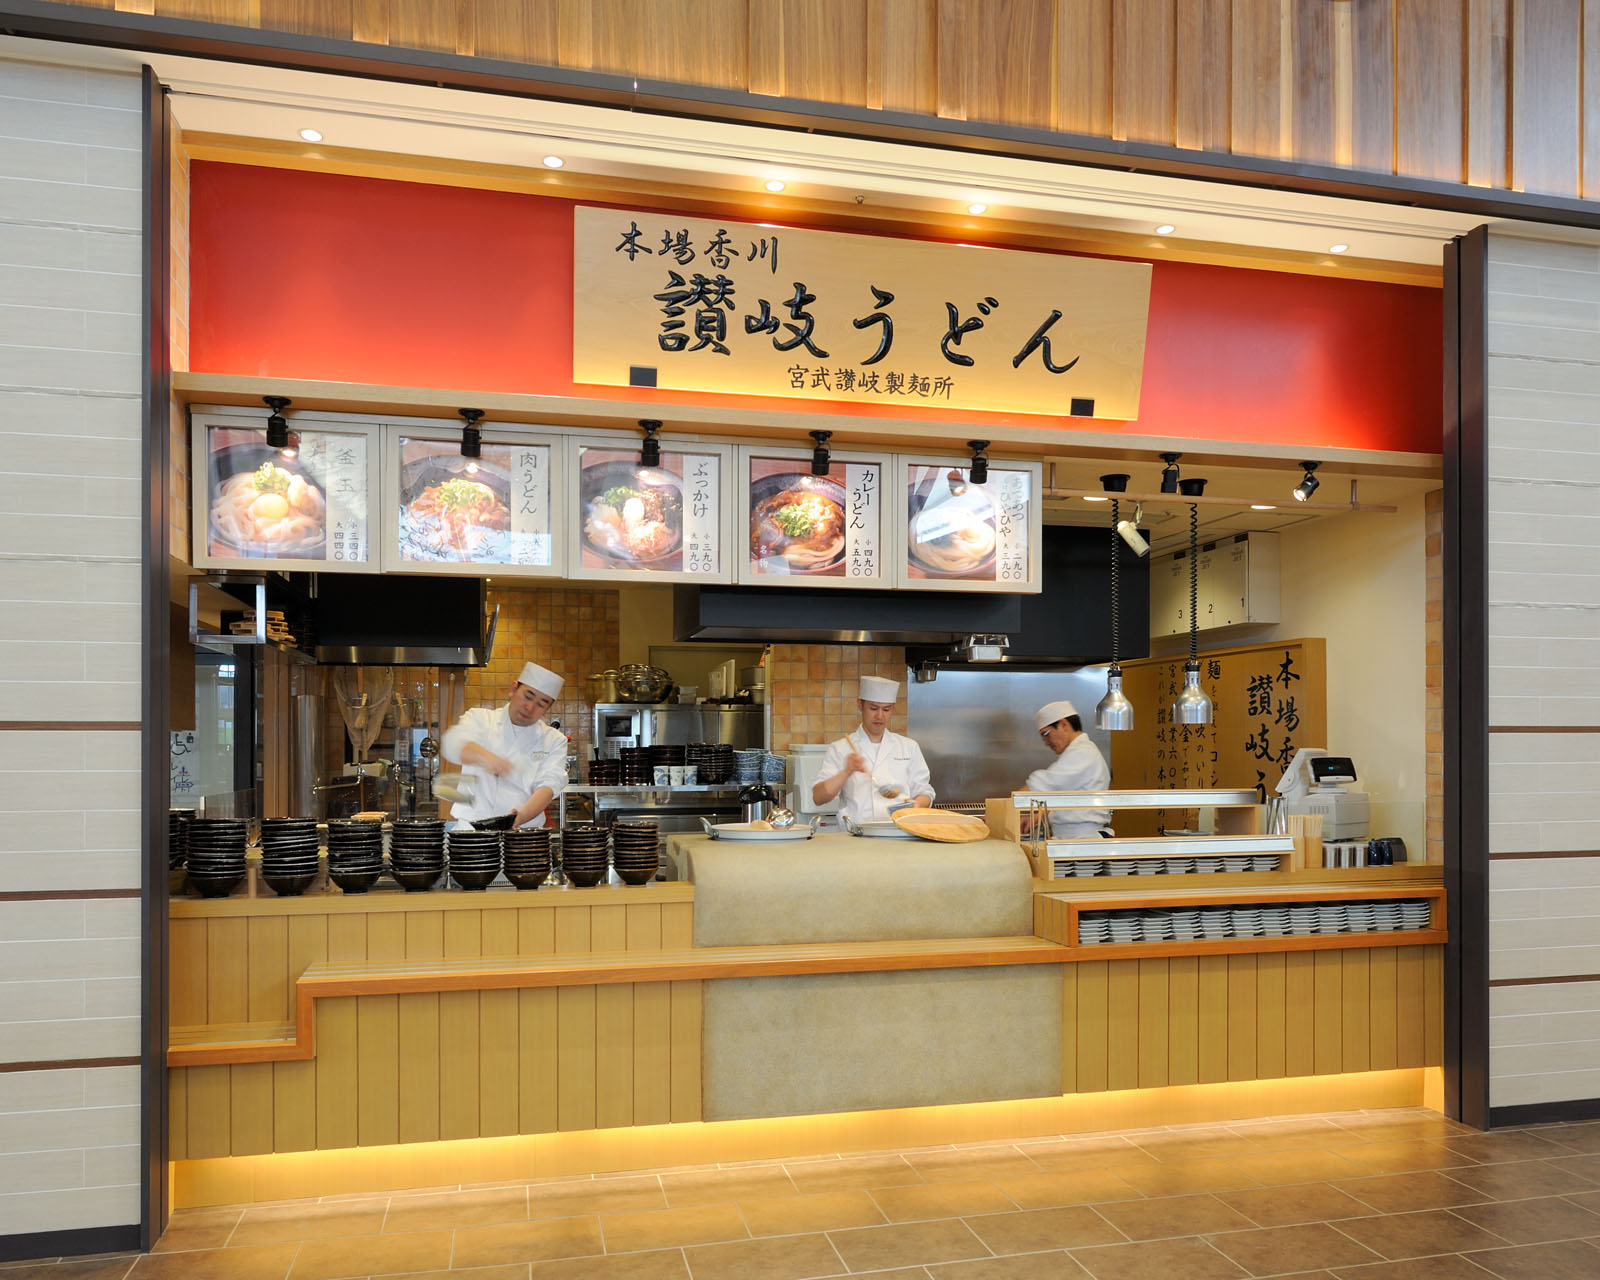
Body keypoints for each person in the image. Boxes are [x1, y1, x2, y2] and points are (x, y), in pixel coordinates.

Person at [441, 661, 568, 830]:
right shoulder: (480, 719)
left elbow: (549, 785)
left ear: (547, 708)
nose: (530, 707)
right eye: (528, 696)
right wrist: (486, 757)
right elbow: (452, 743)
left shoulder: (554, 740)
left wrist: (521, 817)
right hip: (471, 832)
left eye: (541, 704)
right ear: (513, 689)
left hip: (523, 833)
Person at [812, 675, 934, 825]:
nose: (880, 716)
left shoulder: (909, 747)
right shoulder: (840, 748)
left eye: (886, 709)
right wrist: (846, 772)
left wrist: (917, 804)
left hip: (899, 832)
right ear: (860, 704)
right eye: (873, 708)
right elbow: (818, 797)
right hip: (855, 833)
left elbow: (925, 792)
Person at [1025, 699, 1112, 839]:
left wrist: (1003, 807)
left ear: (1064, 724)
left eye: (1046, 734)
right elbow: (1070, 795)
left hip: (1082, 839)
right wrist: (1039, 816)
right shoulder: (1077, 752)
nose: (1046, 743)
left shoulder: (1083, 753)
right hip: (1071, 837)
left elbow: (1044, 784)